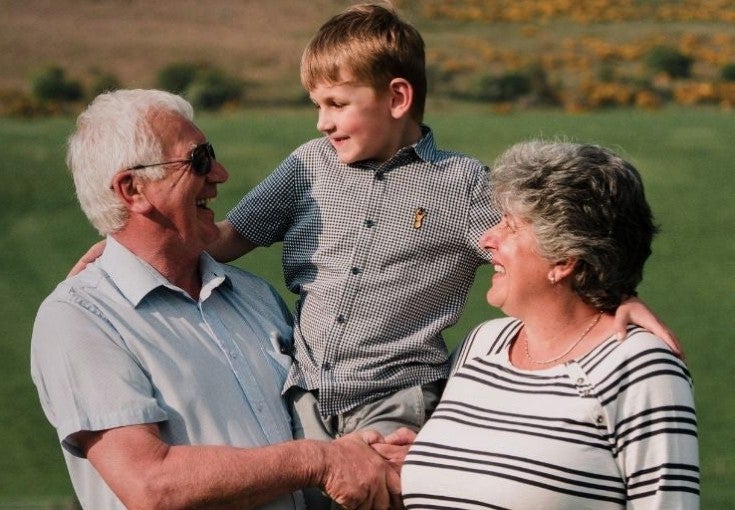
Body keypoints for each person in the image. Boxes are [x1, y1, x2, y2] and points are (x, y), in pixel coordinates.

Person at [68, 4, 679, 444]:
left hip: (401, 395)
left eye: (336, 104)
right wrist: (124, 245)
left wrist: (616, 300)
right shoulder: (306, 168)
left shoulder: (462, 184)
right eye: (316, 106)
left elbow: (539, 249)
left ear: (397, 99)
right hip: (304, 395)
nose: (321, 122)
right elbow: (225, 239)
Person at [30, 89, 403, 510]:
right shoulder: (80, 321)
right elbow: (151, 484)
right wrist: (317, 461)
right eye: (199, 159)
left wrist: (389, 450)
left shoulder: (254, 295)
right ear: (132, 189)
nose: (220, 174)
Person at [400, 141, 700, 508]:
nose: (486, 239)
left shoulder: (641, 367)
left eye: (509, 227)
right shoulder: (483, 343)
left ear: (563, 260)